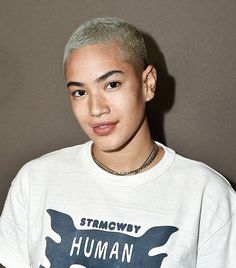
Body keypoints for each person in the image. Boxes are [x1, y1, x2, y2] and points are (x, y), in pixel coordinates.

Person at [0, 17, 235, 268]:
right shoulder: (35, 180)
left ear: (148, 83)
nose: (96, 109)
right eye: (80, 92)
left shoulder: (206, 194)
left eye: (112, 84)